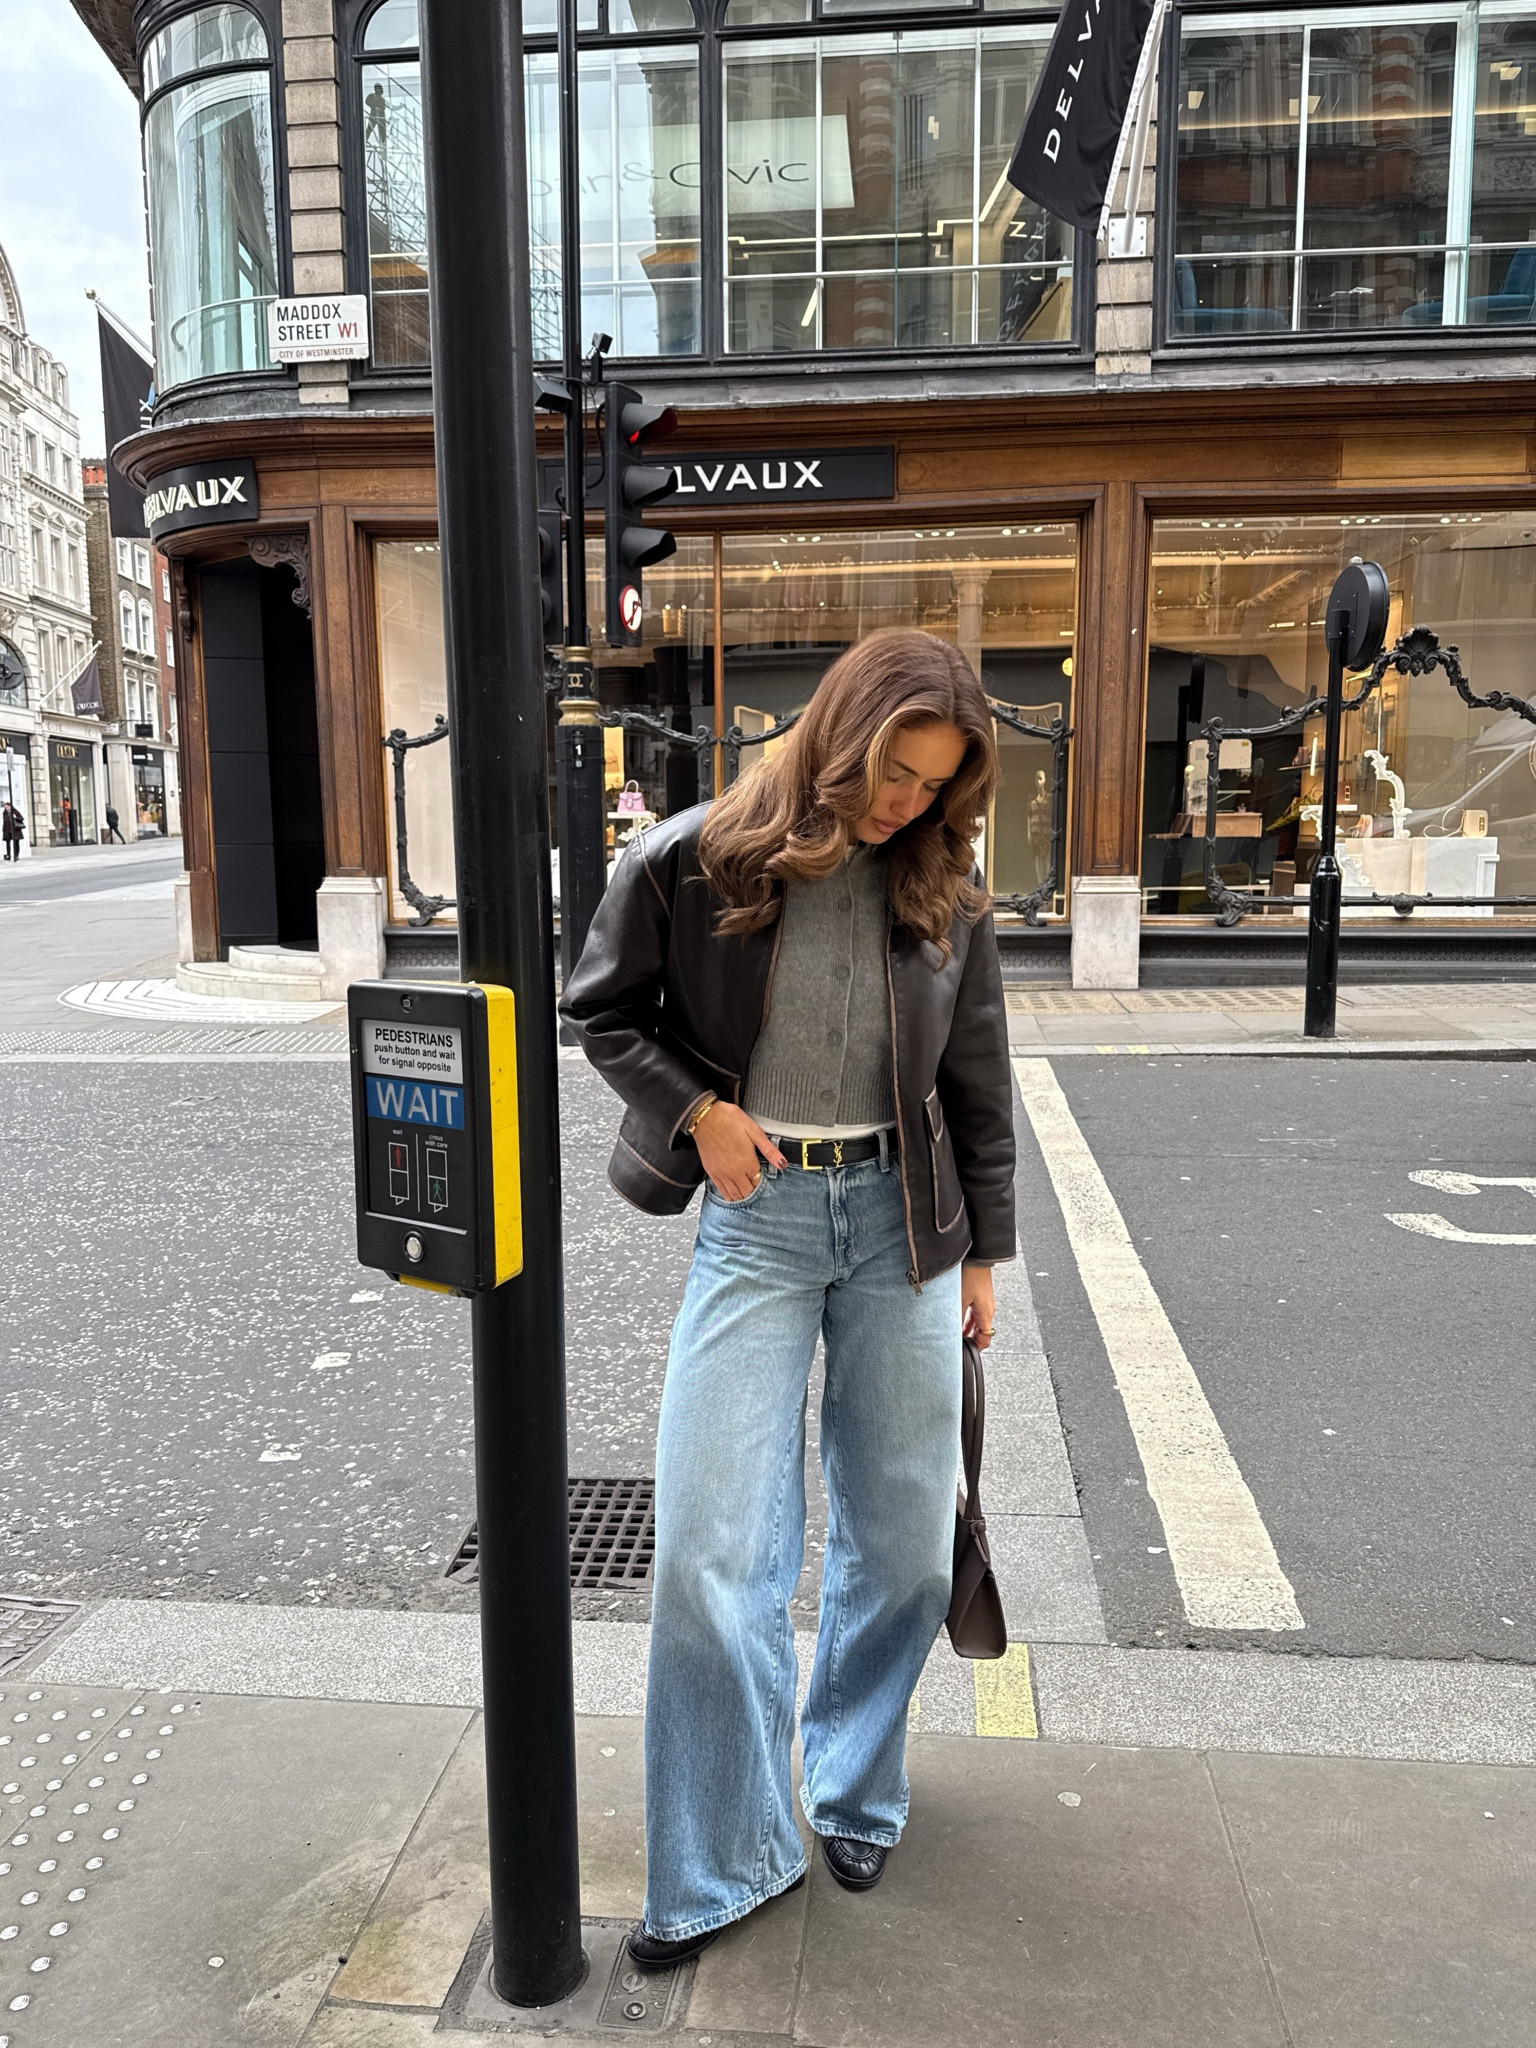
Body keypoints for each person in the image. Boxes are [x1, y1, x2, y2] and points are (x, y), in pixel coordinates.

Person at [560, 629, 1016, 1969]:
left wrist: (982, 1253)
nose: (905, 804)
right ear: (841, 731)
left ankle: (853, 1782)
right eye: (894, 771)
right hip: (757, 1224)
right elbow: (599, 1007)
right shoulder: (697, 854)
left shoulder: (943, 888)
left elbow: (978, 1081)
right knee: (708, 1549)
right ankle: (721, 1859)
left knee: (907, 1540)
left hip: (901, 1225)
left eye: (932, 786)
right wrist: (697, 1111)